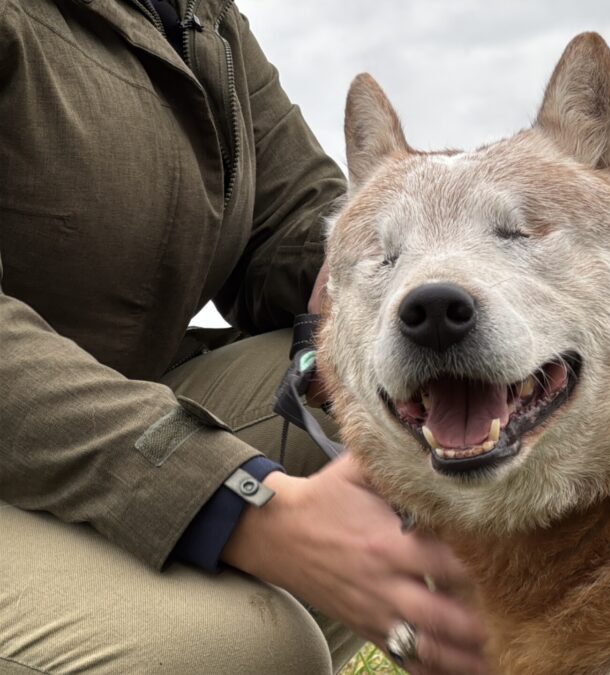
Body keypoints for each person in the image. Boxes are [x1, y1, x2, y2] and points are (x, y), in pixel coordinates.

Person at [0, 0, 487, 673]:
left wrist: (383, 263)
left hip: (105, 414)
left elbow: (294, 220)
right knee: (256, 649)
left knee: (414, 398)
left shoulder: (200, 14)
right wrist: (245, 502)